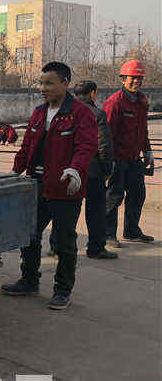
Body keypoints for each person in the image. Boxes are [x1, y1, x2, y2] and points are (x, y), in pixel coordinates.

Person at [1, 62, 97, 310]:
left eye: (49, 83)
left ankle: (62, 290)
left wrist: (76, 169)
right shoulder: (38, 112)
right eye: (41, 83)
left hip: (65, 187)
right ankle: (29, 280)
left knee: (64, 242)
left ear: (65, 83)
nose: (43, 88)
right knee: (29, 235)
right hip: (36, 185)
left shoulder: (80, 113)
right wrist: (14, 172)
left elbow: (86, 146)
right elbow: (27, 147)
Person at [103, 60, 155, 246]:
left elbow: (143, 129)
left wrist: (147, 150)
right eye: (133, 78)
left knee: (137, 195)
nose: (136, 81)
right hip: (117, 159)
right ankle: (107, 234)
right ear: (123, 79)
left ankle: (132, 231)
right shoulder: (114, 102)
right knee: (114, 197)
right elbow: (106, 134)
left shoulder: (142, 101)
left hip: (134, 159)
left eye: (139, 78)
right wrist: (108, 160)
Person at [73, 81, 117, 259]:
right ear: (93, 93)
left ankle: (57, 246)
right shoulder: (97, 114)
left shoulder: (67, 112)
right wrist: (107, 169)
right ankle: (96, 247)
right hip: (93, 170)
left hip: (72, 170)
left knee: (68, 210)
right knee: (95, 211)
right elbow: (103, 145)